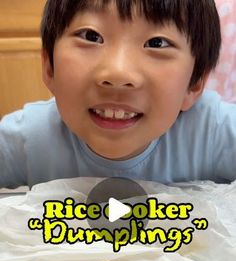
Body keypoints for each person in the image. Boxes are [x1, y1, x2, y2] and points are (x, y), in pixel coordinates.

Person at [1, 0, 236, 189]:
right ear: (49, 67)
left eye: (157, 43)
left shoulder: (212, 132)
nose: (118, 72)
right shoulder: (30, 139)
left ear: (194, 84)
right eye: (91, 36)